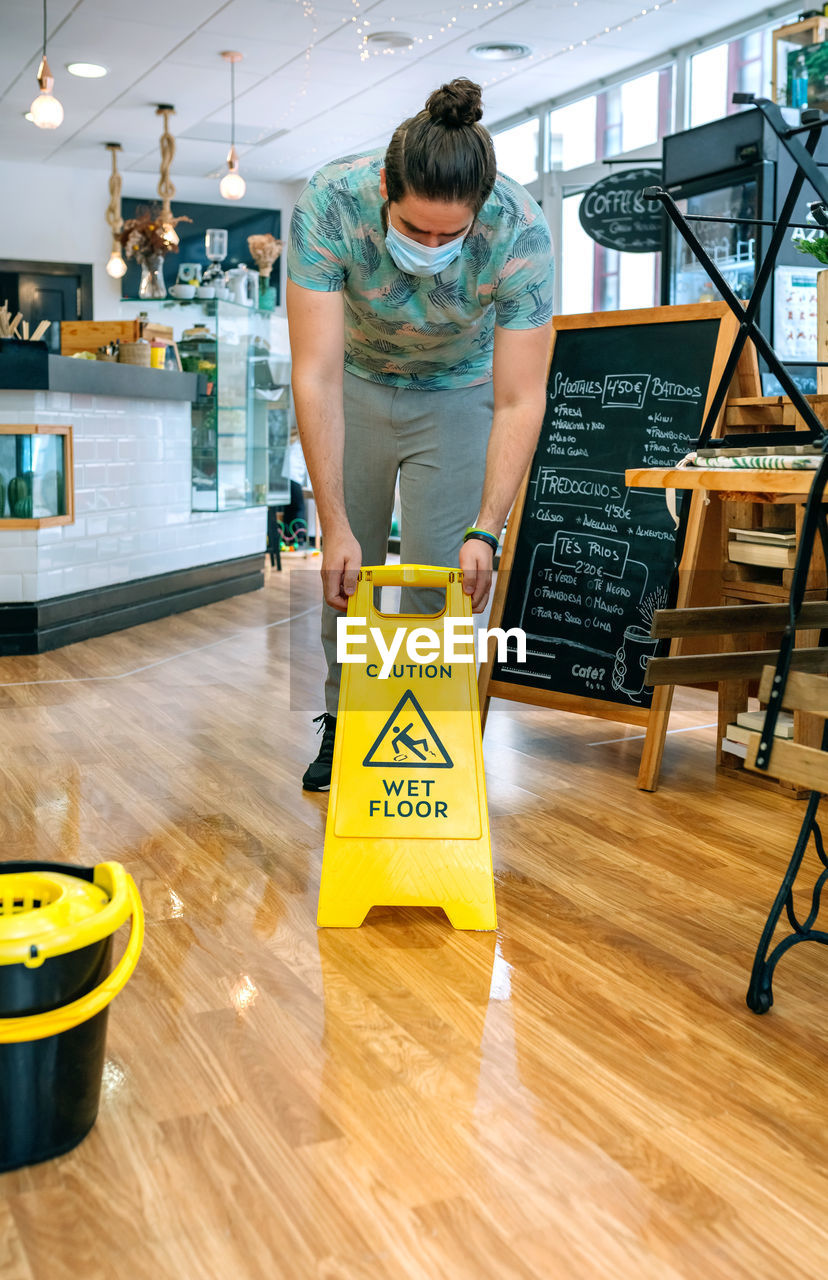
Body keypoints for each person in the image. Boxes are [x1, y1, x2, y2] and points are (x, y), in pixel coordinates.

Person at [287, 78, 554, 791]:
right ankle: (345, 721)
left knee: (448, 579)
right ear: (385, 187)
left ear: (480, 210)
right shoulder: (329, 202)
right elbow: (312, 374)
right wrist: (333, 522)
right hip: (356, 381)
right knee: (352, 575)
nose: (432, 246)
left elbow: (522, 396)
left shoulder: (521, 230)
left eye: (450, 235)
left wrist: (488, 530)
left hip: (461, 391)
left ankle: (427, 731)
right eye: (414, 230)